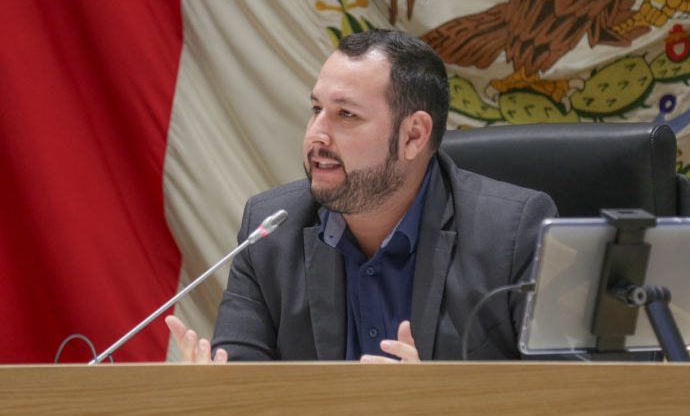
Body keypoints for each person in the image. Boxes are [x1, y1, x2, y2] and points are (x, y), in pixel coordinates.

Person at [165, 29, 557, 363]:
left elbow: (570, 394)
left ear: (413, 136)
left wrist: (439, 401)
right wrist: (218, 394)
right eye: (316, 109)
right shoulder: (270, 230)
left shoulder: (514, 233)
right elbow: (243, 377)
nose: (316, 134)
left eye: (346, 115)